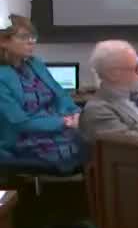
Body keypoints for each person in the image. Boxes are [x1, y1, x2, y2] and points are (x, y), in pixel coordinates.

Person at [0, 14, 83, 171]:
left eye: (33, 37)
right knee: (87, 151)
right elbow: (19, 123)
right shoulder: (2, 76)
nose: (31, 41)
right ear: (3, 41)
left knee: (97, 142)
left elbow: (60, 95)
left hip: (56, 128)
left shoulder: (35, 64)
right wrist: (64, 122)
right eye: (24, 37)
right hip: (23, 139)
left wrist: (75, 113)